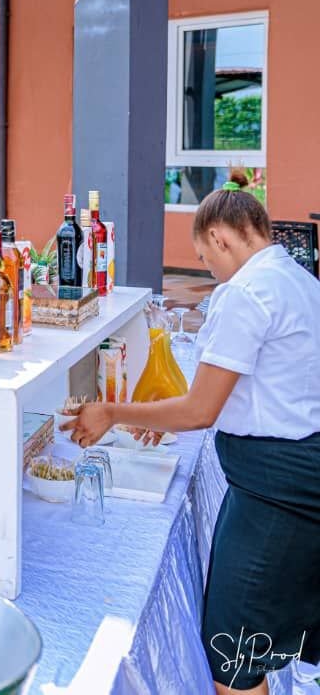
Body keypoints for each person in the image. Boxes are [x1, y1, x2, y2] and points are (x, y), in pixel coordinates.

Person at [62, 173, 320, 695]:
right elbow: (262, 388)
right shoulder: (300, 280)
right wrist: (154, 415)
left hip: (279, 490)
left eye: (204, 258)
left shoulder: (246, 291)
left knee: (233, 652)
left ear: (220, 239)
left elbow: (201, 409)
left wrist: (111, 412)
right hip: (290, 474)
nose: (209, 270)